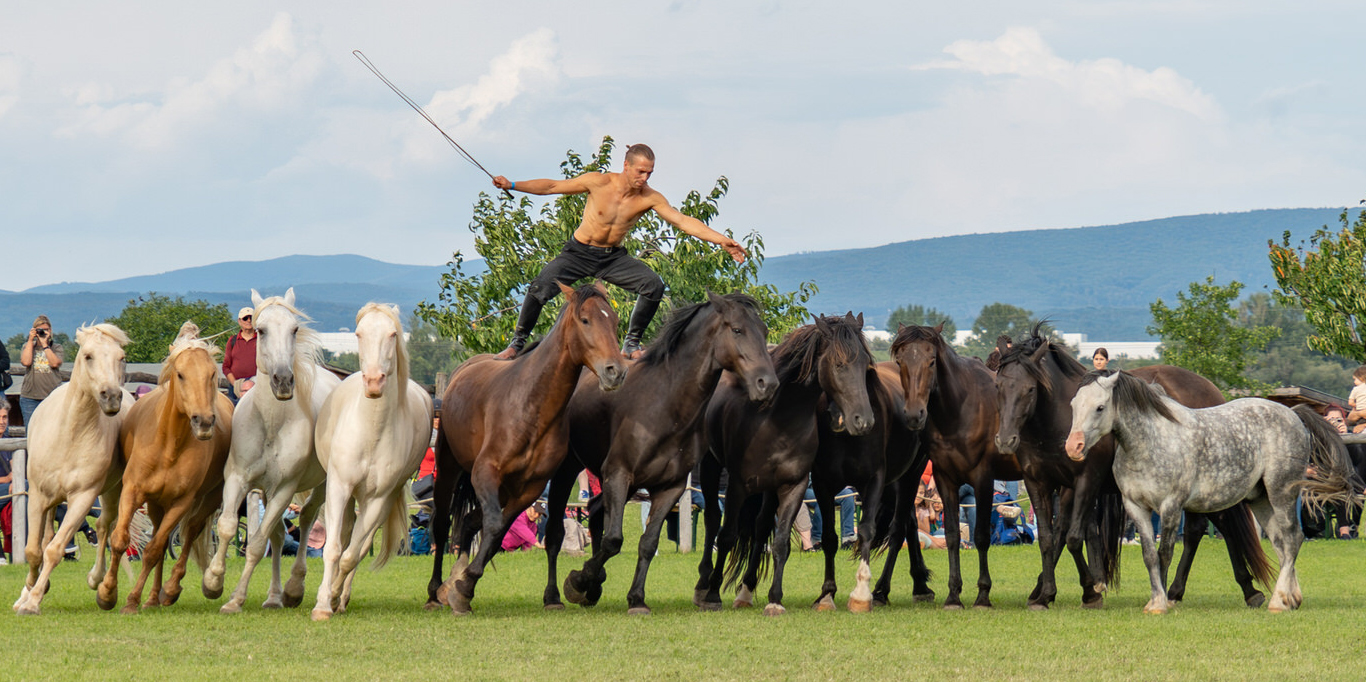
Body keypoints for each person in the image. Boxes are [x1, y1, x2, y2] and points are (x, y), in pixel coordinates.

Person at [490, 143, 748, 359]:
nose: (644, 178)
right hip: (577, 253)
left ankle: (631, 344)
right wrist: (512, 184)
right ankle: (517, 344)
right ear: (626, 166)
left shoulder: (650, 197)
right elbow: (552, 187)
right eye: (640, 171)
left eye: (650, 173)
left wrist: (721, 240)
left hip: (612, 258)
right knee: (539, 287)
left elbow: (681, 221)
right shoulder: (599, 182)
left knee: (653, 286)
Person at [18, 315, 64, 428]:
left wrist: (45, 345)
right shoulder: (27, 346)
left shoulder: (57, 348)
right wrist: (30, 340)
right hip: (30, 397)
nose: (43, 332)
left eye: (46, 330)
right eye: (40, 330)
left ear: (50, 331)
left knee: (53, 429)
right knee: (31, 430)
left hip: (52, 396)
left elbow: (54, 363)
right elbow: (26, 362)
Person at [222, 307, 257, 404]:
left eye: (251, 318)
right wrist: (235, 384)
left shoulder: (261, 340)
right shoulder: (232, 340)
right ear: (239, 321)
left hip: (256, 385)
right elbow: (226, 366)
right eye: (245, 318)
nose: (249, 321)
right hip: (235, 386)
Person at [1347, 367, 1366, 433]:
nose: (1354, 382)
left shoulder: (1356, 389)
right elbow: (1351, 419)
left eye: (1355, 379)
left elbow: (1350, 403)